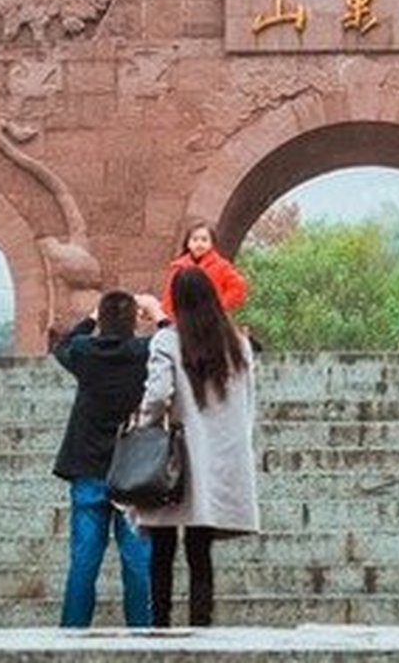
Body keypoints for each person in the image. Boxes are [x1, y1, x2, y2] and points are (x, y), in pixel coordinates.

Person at [131, 265, 260, 627]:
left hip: (174, 458)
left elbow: (157, 395)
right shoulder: (238, 344)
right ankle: (201, 622)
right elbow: (247, 402)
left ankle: (161, 623)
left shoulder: (166, 341)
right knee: (200, 548)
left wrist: (146, 427)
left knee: (162, 547)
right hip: (219, 454)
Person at [52, 289, 155, 628]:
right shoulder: (145, 352)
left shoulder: (85, 352)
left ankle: (72, 632)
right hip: (135, 470)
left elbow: (61, 346)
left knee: (83, 560)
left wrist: (91, 318)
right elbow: (178, 346)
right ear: (134, 321)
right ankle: (141, 633)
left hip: (88, 468)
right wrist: (157, 314)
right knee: (138, 562)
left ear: (102, 320)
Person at [157, 218, 247, 321]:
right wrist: (169, 316)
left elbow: (238, 286)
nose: (199, 244)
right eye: (195, 239)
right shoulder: (178, 266)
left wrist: (219, 307)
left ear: (212, 243)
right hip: (184, 320)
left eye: (204, 240)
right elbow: (169, 295)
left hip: (211, 320)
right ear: (188, 243)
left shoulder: (222, 265)